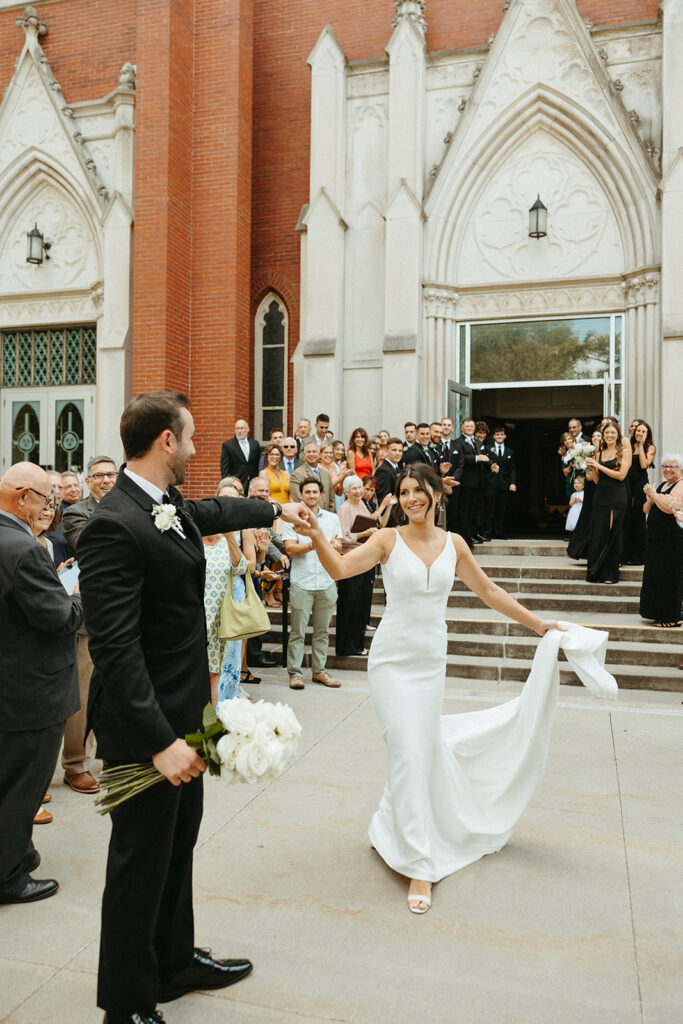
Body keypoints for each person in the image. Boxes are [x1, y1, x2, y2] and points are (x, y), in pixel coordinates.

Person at [77, 390, 307, 1024]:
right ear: (166, 443)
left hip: (188, 715)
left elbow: (212, 509)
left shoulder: (166, 503)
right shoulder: (112, 523)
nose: (201, 448)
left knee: (178, 848)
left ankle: (174, 964)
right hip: (146, 730)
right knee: (139, 865)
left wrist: (274, 507)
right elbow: (116, 649)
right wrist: (159, 741)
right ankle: (125, 1004)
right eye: (193, 437)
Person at [295, 462, 572, 915]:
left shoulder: (455, 544)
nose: (410, 499)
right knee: (406, 747)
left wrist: (539, 624)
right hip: (391, 662)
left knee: (417, 750)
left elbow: (490, 592)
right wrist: (319, 536)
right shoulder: (387, 539)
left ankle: (390, 822)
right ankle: (419, 860)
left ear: (437, 494)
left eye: (418, 490)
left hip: (429, 663)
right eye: (403, 492)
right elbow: (343, 570)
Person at [0, 463, 82, 905]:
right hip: (30, 691)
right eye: (45, 499)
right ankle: (10, 875)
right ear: (22, 497)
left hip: (9, 684)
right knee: (22, 789)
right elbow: (58, 618)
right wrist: (77, 597)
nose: (49, 507)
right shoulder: (24, 549)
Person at [60, 455, 119, 795]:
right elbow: (91, 548)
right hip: (89, 615)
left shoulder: (130, 508)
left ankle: (110, 756)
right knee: (81, 695)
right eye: (99, 476)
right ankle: (74, 764)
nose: (107, 480)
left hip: (122, 616)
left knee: (115, 689)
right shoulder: (76, 513)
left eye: (112, 474)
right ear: (88, 481)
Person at [282, 478, 343, 690]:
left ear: (321, 494)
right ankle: (295, 673)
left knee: (322, 631)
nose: (311, 495)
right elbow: (290, 549)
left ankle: (319, 671)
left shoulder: (332, 518)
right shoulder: (291, 520)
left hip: (327, 580)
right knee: (297, 631)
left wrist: (333, 544)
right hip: (302, 581)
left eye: (315, 492)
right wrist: (315, 543)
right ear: (301, 495)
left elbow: (338, 544)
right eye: (307, 492)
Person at [203, 481, 252, 704]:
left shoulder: (233, 535)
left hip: (223, 611)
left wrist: (231, 537)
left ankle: (216, 717)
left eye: (232, 499)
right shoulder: (199, 529)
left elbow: (243, 567)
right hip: (197, 610)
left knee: (216, 670)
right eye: (222, 498)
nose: (226, 503)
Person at [335, 475, 380, 656]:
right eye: (353, 488)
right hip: (351, 557)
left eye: (360, 487)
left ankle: (357, 644)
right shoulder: (345, 508)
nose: (358, 491)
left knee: (361, 603)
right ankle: (347, 646)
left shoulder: (361, 504)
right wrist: (366, 532)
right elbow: (345, 537)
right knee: (350, 602)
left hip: (364, 556)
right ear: (346, 491)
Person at [585, 417, 632, 584]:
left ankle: (610, 574)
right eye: (607, 433)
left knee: (613, 533)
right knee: (600, 533)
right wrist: (591, 467)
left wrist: (599, 466)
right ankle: (595, 571)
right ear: (603, 435)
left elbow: (621, 476)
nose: (610, 435)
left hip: (617, 495)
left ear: (618, 435)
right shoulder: (598, 453)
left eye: (613, 432)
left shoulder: (624, 452)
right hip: (600, 495)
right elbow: (597, 480)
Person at [639, 454, 683, 628]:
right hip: (656, 538)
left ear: (679, 468)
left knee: (669, 577)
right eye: (664, 466)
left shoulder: (681, 484)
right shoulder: (663, 485)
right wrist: (651, 498)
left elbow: (669, 508)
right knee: (655, 576)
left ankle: (671, 616)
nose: (667, 469)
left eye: (671, 466)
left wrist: (654, 495)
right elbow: (645, 509)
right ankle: (656, 613)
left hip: (672, 538)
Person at [623, 420, 656, 565]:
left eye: (643, 431)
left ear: (647, 434)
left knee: (638, 518)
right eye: (638, 431)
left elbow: (643, 464)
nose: (640, 433)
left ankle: (639, 556)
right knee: (626, 518)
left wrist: (641, 446)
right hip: (627, 483)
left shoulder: (650, 447)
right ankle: (625, 555)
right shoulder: (628, 445)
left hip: (639, 485)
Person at [453, 417, 489, 546]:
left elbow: (485, 458)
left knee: (474, 511)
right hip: (466, 483)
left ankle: (473, 534)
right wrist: (476, 458)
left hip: (477, 483)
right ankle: (465, 537)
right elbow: (460, 458)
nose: (469, 428)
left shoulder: (477, 442)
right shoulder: (458, 442)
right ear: (462, 428)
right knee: (465, 511)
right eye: (467, 426)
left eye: (471, 426)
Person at [567, 429, 601, 561]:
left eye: (599, 436)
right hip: (591, 485)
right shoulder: (588, 451)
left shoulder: (605, 451)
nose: (596, 438)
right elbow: (587, 473)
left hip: (603, 487)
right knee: (587, 516)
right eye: (594, 436)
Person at [482, 426, 517, 540]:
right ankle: (487, 532)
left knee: (501, 509)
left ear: (505, 436)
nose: (499, 436)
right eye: (497, 435)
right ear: (493, 436)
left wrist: (513, 482)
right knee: (489, 508)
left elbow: (512, 468)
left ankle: (499, 532)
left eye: (501, 434)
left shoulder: (509, 451)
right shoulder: (487, 449)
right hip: (491, 483)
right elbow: (484, 465)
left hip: (504, 483)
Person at [289, 442, 335, 510]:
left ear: (319, 455)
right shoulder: (297, 474)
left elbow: (331, 499)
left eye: (314, 452)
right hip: (308, 516)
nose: (311, 454)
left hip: (327, 516)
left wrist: (330, 515)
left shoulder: (326, 474)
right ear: (304, 455)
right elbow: (298, 499)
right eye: (308, 452)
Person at [219, 418, 261, 492]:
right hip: (236, 484)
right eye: (237, 428)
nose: (239, 431)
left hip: (253, 484)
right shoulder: (228, 445)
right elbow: (224, 468)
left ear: (248, 429)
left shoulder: (255, 444)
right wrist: (229, 484)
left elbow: (258, 464)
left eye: (242, 428)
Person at [375, 438, 404, 527]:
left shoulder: (396, 468)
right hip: (391, 522)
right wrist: (394, 523)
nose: (398, 453)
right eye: (394, 450)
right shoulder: (383, 471)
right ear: (387, 451)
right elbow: (384, 498)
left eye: (400, 450)